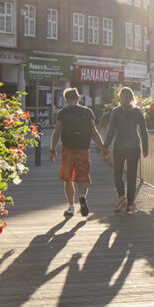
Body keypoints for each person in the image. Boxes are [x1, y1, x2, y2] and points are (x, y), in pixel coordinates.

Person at [51, 88, 107, 217]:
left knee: (68, 178)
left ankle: (70, 207)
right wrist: (102, 148)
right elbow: (94, 132)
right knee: (83, 176)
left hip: (68, 149)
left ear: (66, 99)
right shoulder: (87, 112)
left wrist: (53, 149)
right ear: (78, 98)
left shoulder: (63, 112)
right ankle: (82, 196)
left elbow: (56, 133)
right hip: (83, 148)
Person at [102, 87, 148, 214]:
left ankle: (122, 197)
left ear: (120, 98)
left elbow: (111, 131)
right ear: (133, 97)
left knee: (117, 173)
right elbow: (143, 131)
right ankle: (130, 206)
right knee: (132, 176)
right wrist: (145, 148)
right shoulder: (137, 112)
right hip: (134, 147)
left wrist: (105, 146)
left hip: (120, 146)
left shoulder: (116, 112)